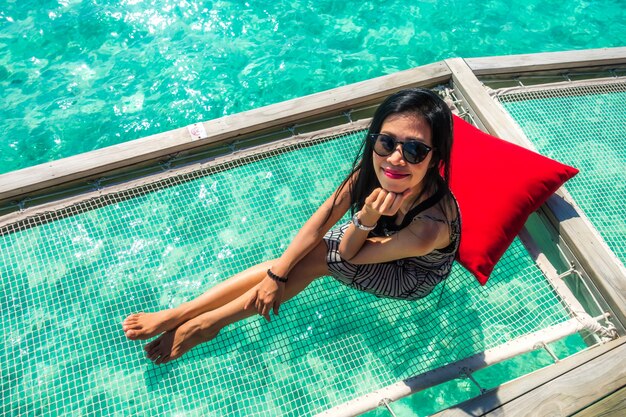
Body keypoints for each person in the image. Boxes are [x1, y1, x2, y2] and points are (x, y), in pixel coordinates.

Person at [122, 87, 461, 364]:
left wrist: (366, 219)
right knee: (293, 260)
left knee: (318, 259)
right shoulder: (378, 168)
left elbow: (348, 253)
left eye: (415, 150)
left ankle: (208, 323)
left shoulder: (429, 227)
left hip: (410, 273)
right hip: (372, 237)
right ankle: (186, 313)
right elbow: (322, 218)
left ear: (436, 157)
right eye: (386, 142)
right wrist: (277, 275)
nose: (396, 158)